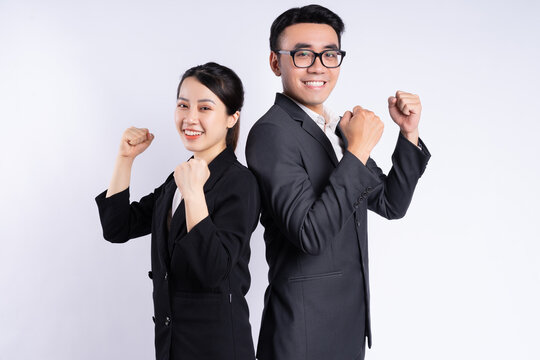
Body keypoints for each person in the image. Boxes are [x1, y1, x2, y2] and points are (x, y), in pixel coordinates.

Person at [246, 5, 431, 360]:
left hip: (346, 327)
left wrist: (408, 133)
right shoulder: (271, 133)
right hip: (301, 333)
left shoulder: (336, 129)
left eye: (329, 54)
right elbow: (309, 234)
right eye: (303, 54)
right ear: (275, 63)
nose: (318, 66)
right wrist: (359, 149)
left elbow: (392, 204)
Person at [95, 62, 260, 360]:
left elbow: (212, 271)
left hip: (219, 348)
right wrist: (125, 159)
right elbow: (117, 228)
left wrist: (194, 194)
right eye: (183, 105)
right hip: (173, 345)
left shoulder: (240, 183)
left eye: (205, 108)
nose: (190, 118)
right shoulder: (178, 178)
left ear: (232, 118)